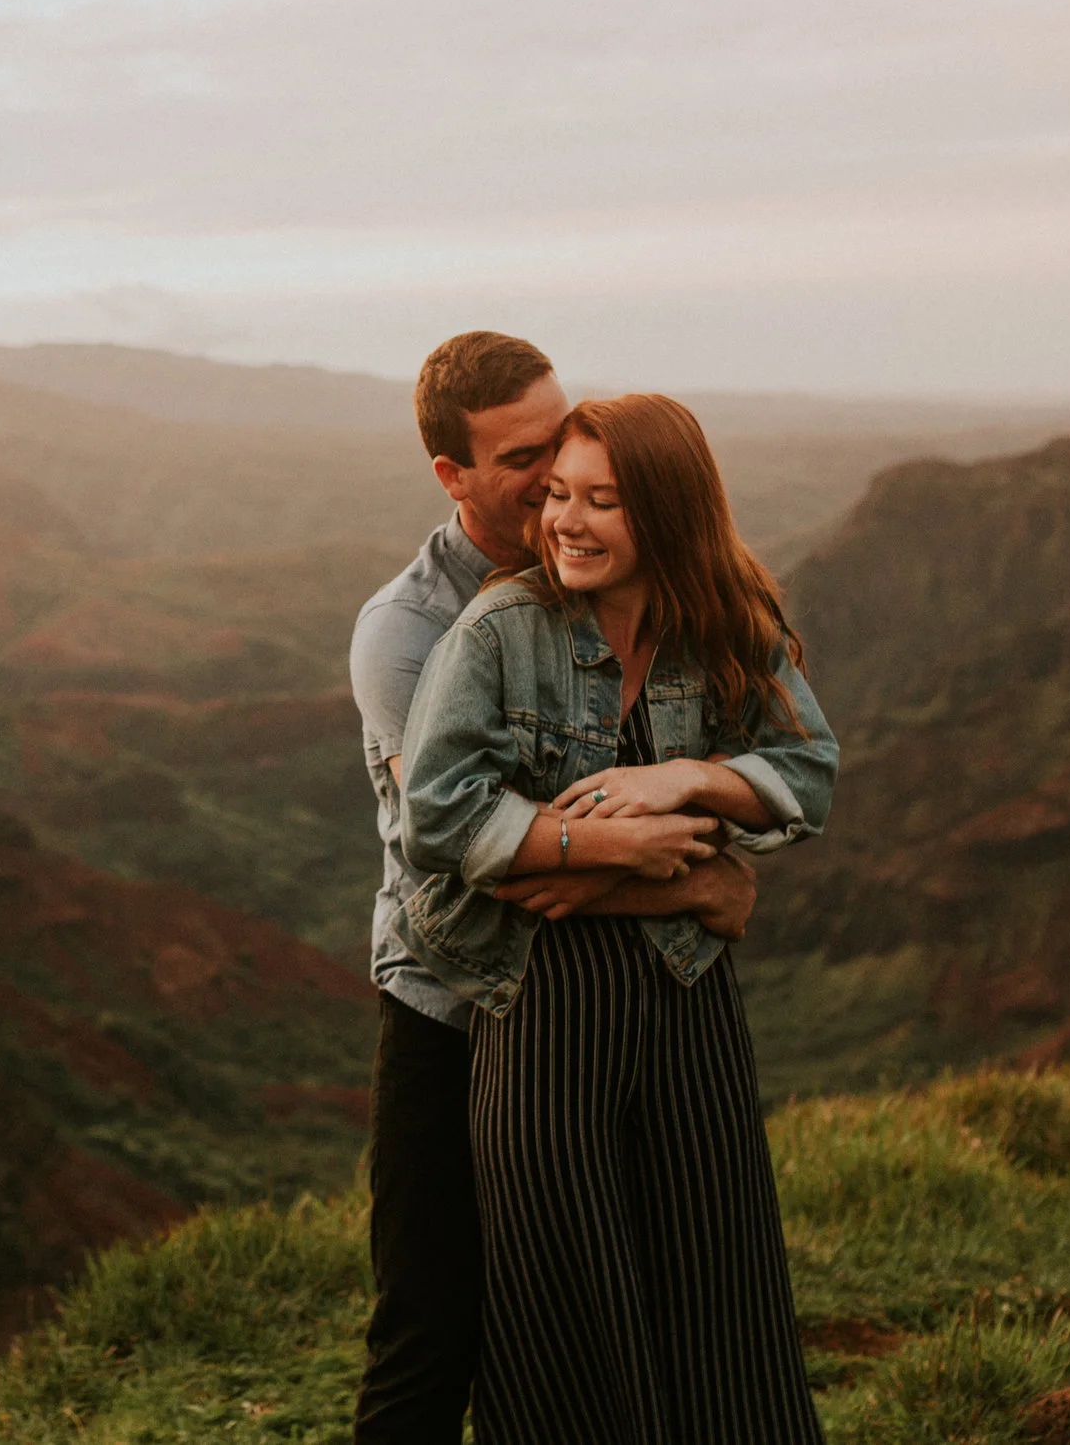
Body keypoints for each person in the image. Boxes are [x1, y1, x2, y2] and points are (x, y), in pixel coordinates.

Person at [395, 391, 837, 1444]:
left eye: (603, 499)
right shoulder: (502, 630)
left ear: (670, 513)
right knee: (565, 1307)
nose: (566, 521)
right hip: (544, 1008)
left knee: (714, 1291)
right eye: (555, 494)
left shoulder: (728, 623)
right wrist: (626, 849)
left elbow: (808, 773)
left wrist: (686, 775)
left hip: (685, 995)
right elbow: (438, 815)